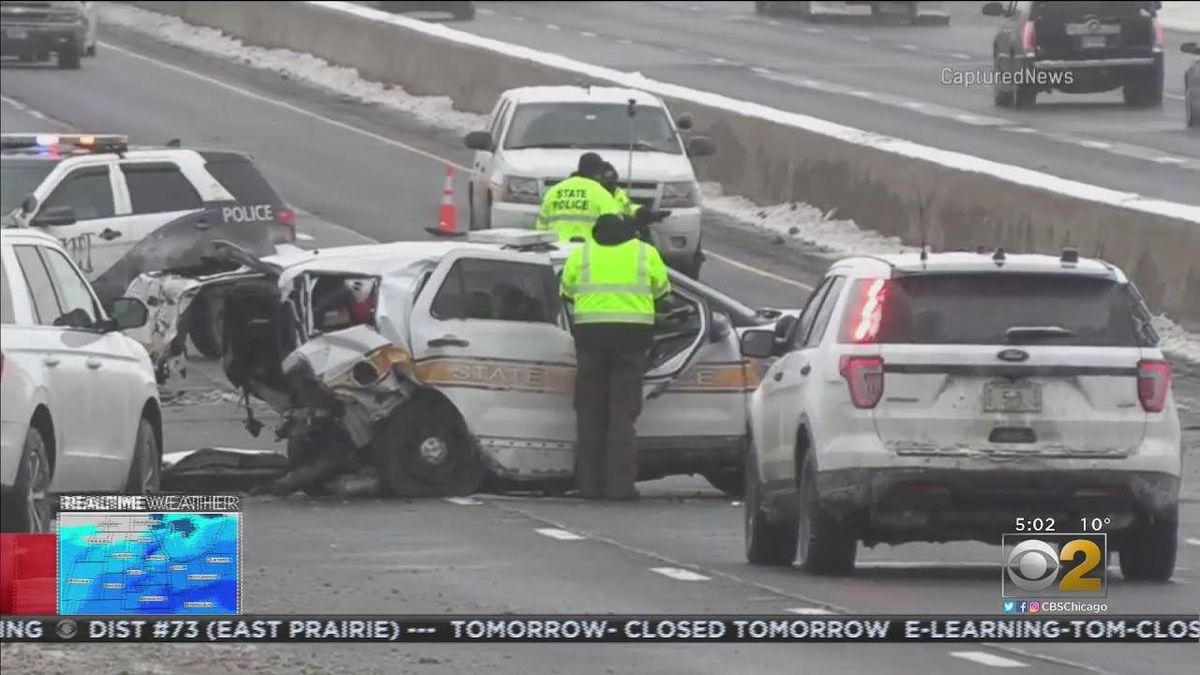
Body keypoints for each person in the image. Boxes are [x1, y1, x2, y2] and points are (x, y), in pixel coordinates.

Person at [560, 213, 671, 500]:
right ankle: (620, 487)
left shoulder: (581, 253)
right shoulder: (644, 253)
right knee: (622, 415)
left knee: (589, 414)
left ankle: (589, 485)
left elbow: (567, 293)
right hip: (632, 341)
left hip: (590, 339)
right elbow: (663, 295)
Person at [536, 152, 623, 243]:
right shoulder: (601, 193)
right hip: (589, 251)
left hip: (556, 249)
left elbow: (541, 227)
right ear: (598, 174)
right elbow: (614, 226)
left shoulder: (554, 191)